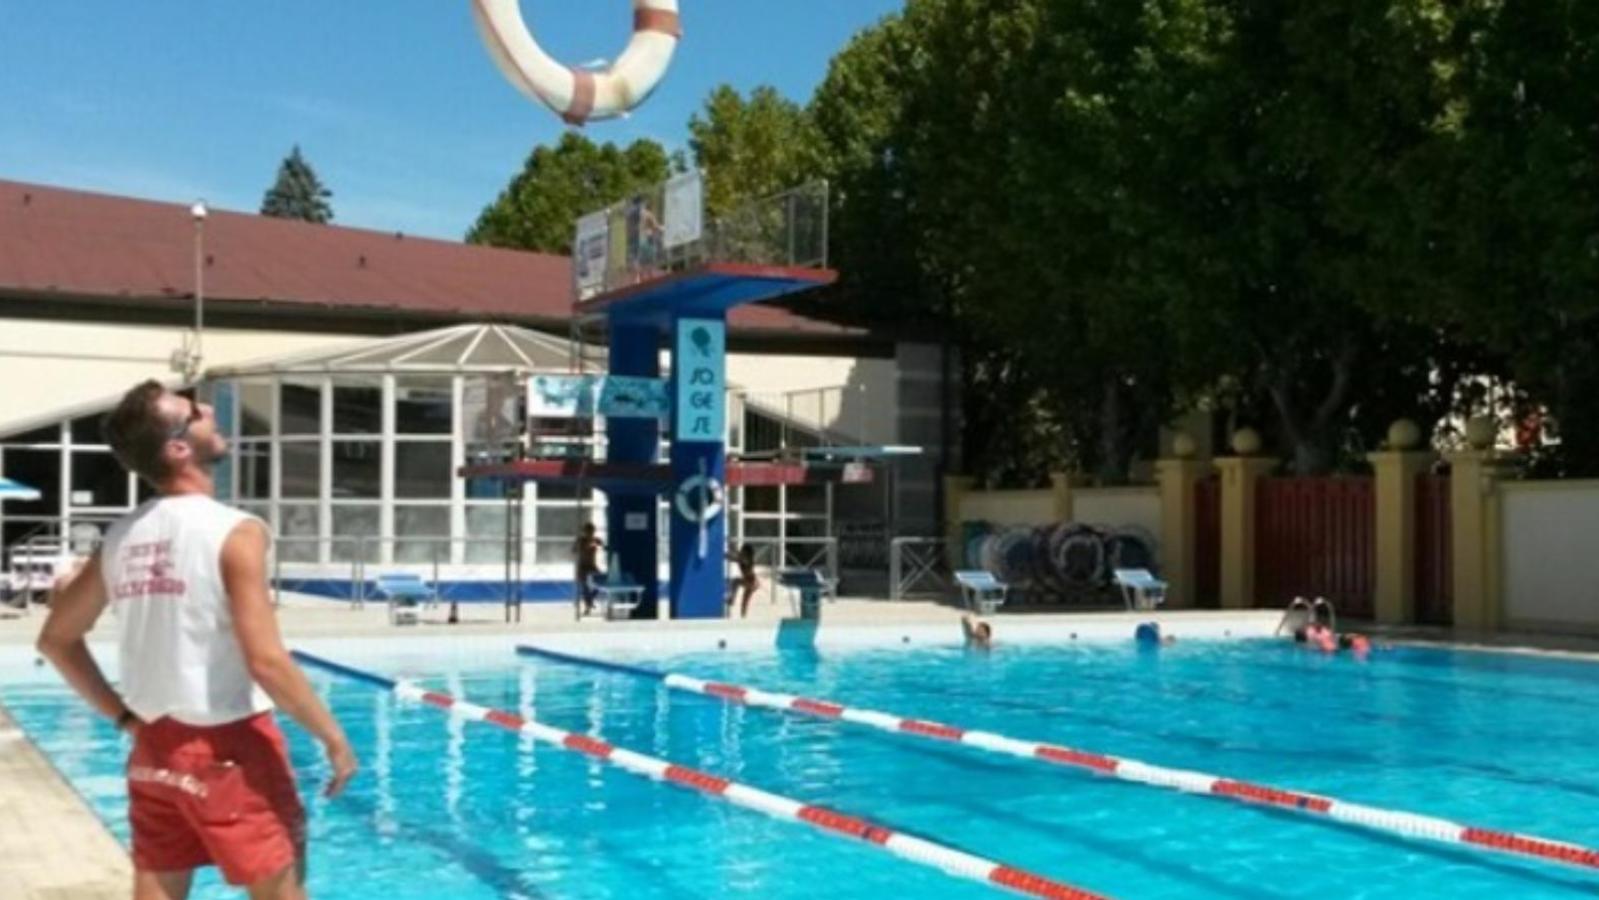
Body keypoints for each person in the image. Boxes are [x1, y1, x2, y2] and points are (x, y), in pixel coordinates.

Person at [35, 380, 356, 900]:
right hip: (230, 743)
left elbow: (57, 639)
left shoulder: (122, 536)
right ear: (179, 449)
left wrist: (123, 718)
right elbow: (267, 661)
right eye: (194, 412)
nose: (208, 409)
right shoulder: (235, 531)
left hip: (153, 744)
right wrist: (334, 738)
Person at [573, 523, 604, 616]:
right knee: (585, 586)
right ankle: (588, 606)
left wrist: (599, 546)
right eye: (588, 532)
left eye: (591, 532)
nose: (590, 534)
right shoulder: (581, 540)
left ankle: (590, 600)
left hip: (592, 566)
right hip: (582, 566)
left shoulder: (597, 540)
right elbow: (573, 550)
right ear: (584, 532)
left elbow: (604, 546)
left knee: (601, 582)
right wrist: (583, 547)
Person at [725, 544, 759, 618]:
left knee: (736, 581)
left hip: (751, 582)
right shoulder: (744, 558)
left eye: (743, 550)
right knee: (744, 602)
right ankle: (743, 617)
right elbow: (737, 553)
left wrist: (725, 555)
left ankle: (731, 600)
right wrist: (731, 547)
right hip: (752, 582)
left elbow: (734, 557)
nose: (741, 551)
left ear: (746, 552)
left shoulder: (745, 560)